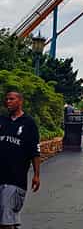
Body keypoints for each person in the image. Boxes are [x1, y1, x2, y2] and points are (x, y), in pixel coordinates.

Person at [0, 92, 41, 228]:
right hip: (1, 177)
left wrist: (36, 175)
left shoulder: (29, 123)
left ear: (20, 101)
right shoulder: (2, 121)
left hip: (15, 179)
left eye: (12, 99)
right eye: (7, 99)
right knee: (5, 219)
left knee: (6, 221)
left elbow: (35, 151)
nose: (8, 101)